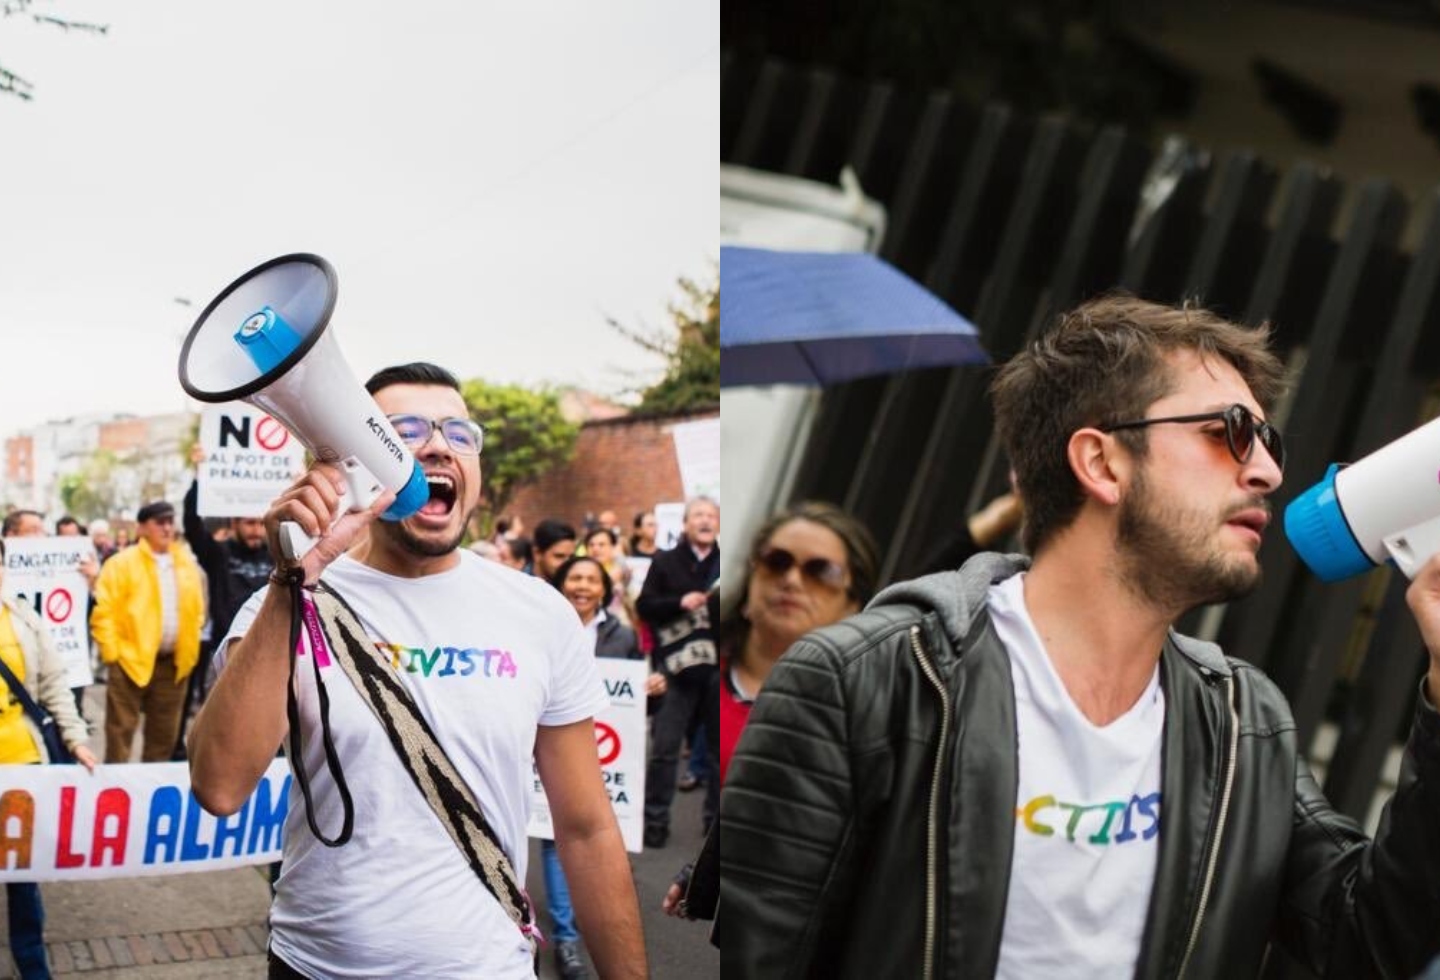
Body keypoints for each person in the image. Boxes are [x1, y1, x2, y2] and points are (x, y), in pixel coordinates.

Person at [720, 294, 1440, 977]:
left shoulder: (1244, 725)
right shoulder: (868, 683)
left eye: (1266, 439)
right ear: (1101, 462)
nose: (1268, 469)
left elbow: (1373, 940)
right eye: (1230, 432)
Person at [187, 362, 645, 979]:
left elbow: (586, 829)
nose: (438, 444)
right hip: (315, 968)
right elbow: (219, 785)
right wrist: (295, 576)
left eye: (460, 433)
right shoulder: (289, 595)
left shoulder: (539, 613)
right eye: (402, 430)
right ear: (355, 461)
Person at [662, 500, 879, 924]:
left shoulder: (864, 712)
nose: (792, 580)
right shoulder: (712, 672)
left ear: (854, 605)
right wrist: (703, 871)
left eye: (822, 572)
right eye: (776, 562)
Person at [539, 554, 660, 979]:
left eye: (592, 579)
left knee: (597, 840)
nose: (583, 586)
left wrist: (652, 688)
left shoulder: (623, 635)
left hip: (607, 757)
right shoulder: (538, 628)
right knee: (554, 842)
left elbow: (635, 698)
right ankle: (566, 940)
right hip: (549, 756)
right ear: (561, 583)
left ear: (603, 589)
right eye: (575, 578)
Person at [0, 537, 99, 979]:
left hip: (25, 766)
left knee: (23, 875)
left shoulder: (22, 616)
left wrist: (76, 739)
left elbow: (54, 685)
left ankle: (32, 965)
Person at [90, 501, 204, 763]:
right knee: (120, 733)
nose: (167, 527)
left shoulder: (185, 563)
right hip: (128, 661)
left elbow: (197, 609)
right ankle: (116, 788)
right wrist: (112, 654)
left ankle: (149, 793)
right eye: (159, 522)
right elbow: (103, 611)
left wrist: (190, 644)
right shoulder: (121, 563)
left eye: (169, 521)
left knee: (164, 736)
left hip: (174, 664)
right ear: (142, 528)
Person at [636, 496, 719, 849]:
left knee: (720, 753)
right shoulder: (666, 562)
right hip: (673, 670)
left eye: (711, 516)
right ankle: (655, 823)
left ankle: (715, 829)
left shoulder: (727, 563)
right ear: (685, 524)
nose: (705, 521)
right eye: (698, 515)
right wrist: (678, 602)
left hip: (718, 671)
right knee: (665, 750)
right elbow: (644, 605)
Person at [180, 448, 276, 738]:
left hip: (270, 650)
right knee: (222, 724)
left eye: (260, 523)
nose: (256, 531)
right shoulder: (218, 554)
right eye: (249, 523)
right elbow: (193, 526)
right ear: (233, 524)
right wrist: (198, 478)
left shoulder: (278, 553)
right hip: (226, 649)